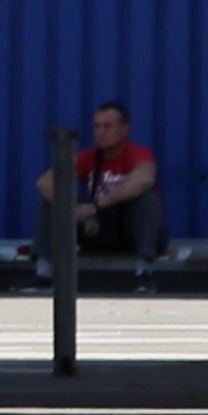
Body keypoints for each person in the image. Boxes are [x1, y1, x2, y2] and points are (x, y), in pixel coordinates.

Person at [72, 104, 159, 282]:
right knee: (52, 200)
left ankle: (144, 272)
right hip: (96, 229)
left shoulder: (138, 154)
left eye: (107, 126)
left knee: (147, 198)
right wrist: (77, 212)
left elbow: (144, 179)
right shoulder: (87, 157)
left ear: (124, 129)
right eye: (97, 126)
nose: (100, 132)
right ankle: (45, 272)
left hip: (130, 231)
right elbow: (46, 181)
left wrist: (95, 206)